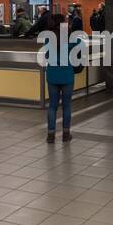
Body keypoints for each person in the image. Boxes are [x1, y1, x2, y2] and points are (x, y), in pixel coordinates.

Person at [42, 12, 82, 143]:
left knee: (53, 106)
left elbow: (47, 55)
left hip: (53, 73)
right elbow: (80, 46)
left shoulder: (48, 37)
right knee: (66, 106)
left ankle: (51, 135)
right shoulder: (70, 37)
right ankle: (66, 134)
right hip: (67, 74)